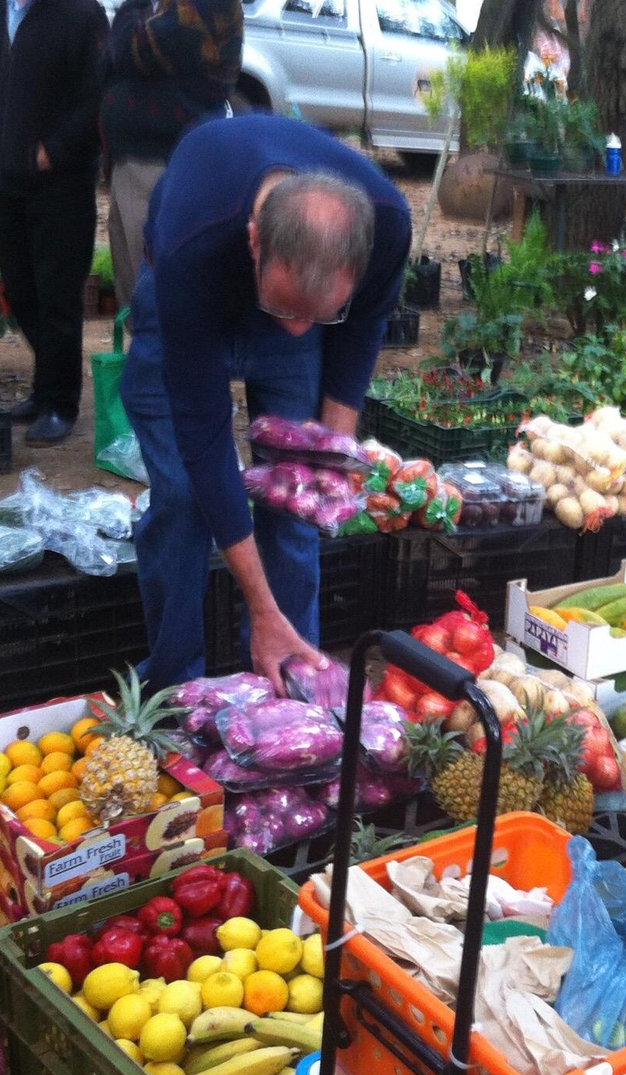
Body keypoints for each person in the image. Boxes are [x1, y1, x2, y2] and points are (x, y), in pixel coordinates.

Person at [120, 114, 411, 694]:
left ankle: (296, 683)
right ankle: (177, 689)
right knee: (182, 497)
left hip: (280, 274)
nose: (302, 333)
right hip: (186, 295)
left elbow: (362, 330)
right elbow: (204, 440)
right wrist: (259, 608)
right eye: (288, 312)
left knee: (298, 499)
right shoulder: (192, 240)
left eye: (321, 315)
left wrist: (331, 456)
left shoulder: (387, 222)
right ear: (255, 238)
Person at [0, 0, 108, 446]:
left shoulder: (81, 10)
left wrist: (55, 151)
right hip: (5, 179)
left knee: (58, 295)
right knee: (21, 288)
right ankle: (45, 389)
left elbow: (97, 98)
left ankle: (61, 403)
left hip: (58, 182)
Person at [100, 0, 244, 308]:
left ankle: (155, 362)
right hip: (139, 159)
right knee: (133, 289)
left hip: (162, 162)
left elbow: (129, 51)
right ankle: (144, 360)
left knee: (150, 292)